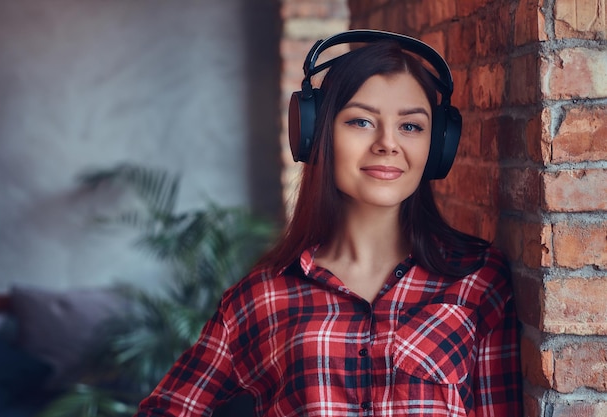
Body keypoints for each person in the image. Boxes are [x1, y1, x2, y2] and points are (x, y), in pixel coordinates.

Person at [134, 30, 523, 417]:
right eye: (361, 122)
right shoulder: (262, 296)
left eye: (411, 126)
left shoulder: (478, 280)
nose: (388, 143)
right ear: (315, 133)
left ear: (437, 146)